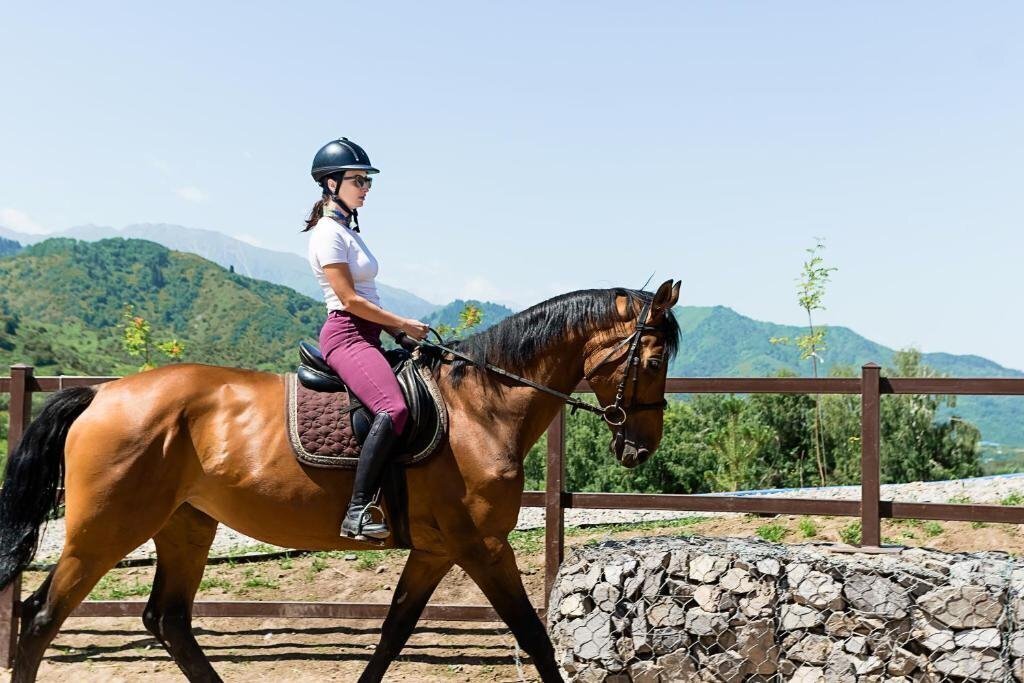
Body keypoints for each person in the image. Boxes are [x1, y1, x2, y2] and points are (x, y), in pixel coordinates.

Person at [303, 137, 429, 539]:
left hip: (368, 334)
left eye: (368, 181)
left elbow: (368, 298)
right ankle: (357, 510)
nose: (366, 188)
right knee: (393, 409)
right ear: (331, 183)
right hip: (347, 335)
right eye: (358, 180)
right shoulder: (327, 233)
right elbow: (350, 300)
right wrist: (403, 322)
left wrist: (398, 333)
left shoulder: (348, 230)